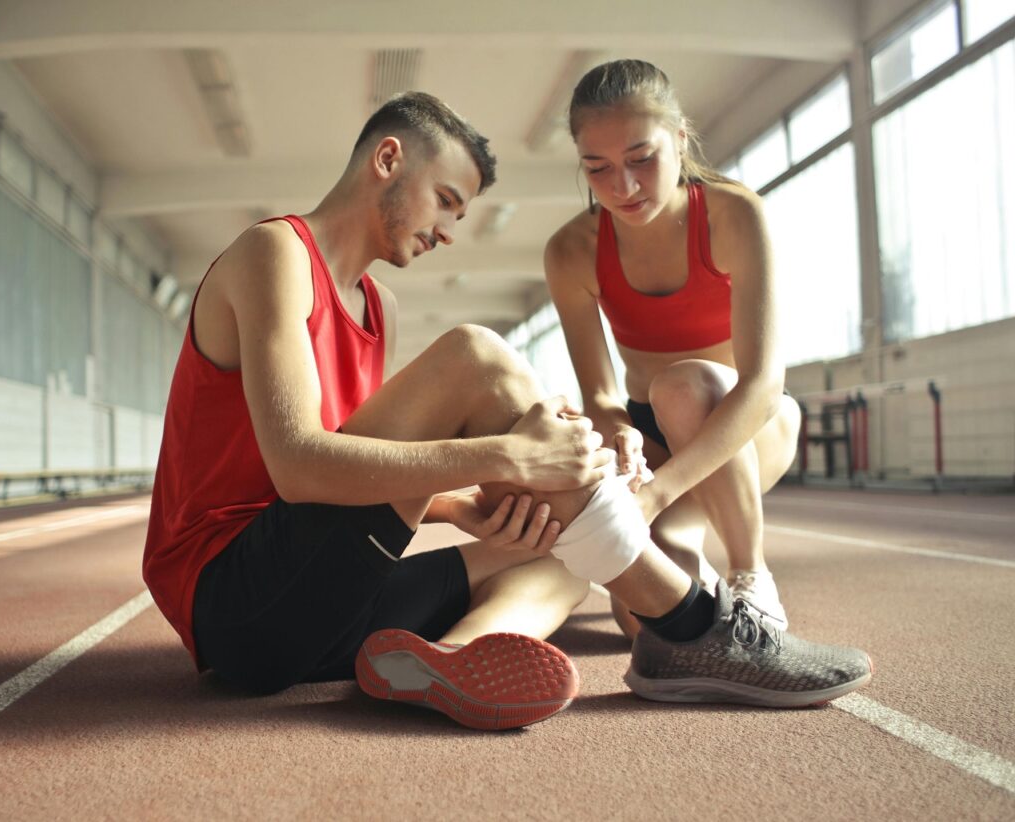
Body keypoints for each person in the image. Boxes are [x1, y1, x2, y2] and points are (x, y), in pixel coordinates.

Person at [144, 91, 870, 733]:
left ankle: (453, 658)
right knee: (474, 356)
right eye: (447, 201)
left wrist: (464, 507)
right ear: (388, 159)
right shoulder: (275, 254)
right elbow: (300, 469)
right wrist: (506, 459)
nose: (449, 232)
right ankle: (691, 624)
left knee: (559, 545)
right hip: (237, 605)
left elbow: (352, 479)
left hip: (315, 617)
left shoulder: (379, 307)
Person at [545, 59, 801, 635]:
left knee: (684, 385)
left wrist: (657, 494)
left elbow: (763, 386)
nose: (623, 187)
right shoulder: (571, 251)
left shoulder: (735, 215)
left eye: (641, 159)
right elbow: (602, 393)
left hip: (749, 424)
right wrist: (621, 433)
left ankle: (749, 573)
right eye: (597, 168)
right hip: (654, 436)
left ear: (680, 140)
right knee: (643, 622)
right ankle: (688, 544)